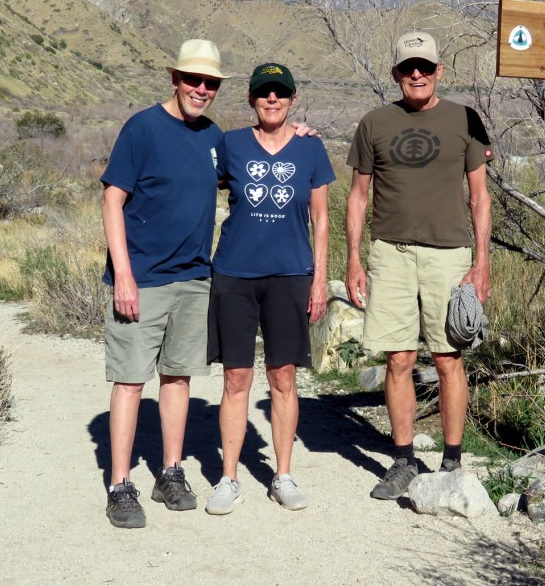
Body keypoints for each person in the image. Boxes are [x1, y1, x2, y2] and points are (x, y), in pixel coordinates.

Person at [345, 30, 493, 500]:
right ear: (396, 74)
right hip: (390, 252)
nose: (416, 74)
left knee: (449, 358)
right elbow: (357, 196)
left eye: (425, 67)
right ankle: (404, 459)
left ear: (438, 72)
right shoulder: (374, 123)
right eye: (408, 67)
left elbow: (479, 195)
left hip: (449, 254)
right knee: (399, 359)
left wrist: (482, 261)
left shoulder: (465, 120)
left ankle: (452, 460)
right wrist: (353, 260)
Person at [100, 38, 228, 529]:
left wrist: (298, 133)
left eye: (210, 82)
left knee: (178, 376)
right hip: (143, 279)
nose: (201, 89)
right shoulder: (143, 128)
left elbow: (252, 160)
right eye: (193, 79)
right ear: (174, 79)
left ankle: (170, 472)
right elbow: (113, 199)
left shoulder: (213, 137)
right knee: (130, 381)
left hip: (195, 278)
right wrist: (124, 275)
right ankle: (119, 483)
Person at [204, 62, 334, 515]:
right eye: (264, 93)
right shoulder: (231, 143)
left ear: (293, 99)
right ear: (252, 100)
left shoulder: (310, 148)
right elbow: (200, 183)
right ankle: (228, 477)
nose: (272, 99)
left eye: (281, 93)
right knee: (236, 377)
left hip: (290, 275)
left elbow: (321, 218)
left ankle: (282, 473)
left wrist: (319, 280)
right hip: (235, 274)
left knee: (283, 376)